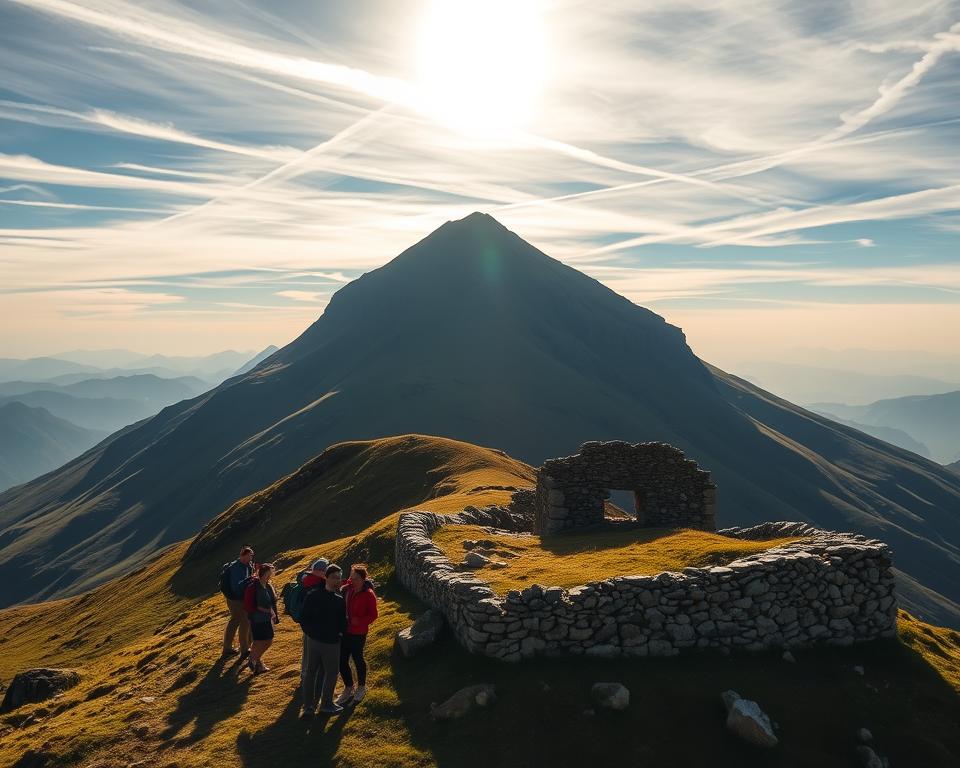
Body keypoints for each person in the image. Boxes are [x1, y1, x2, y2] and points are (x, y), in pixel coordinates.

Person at [299, 564, 347, 718]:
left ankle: (315, 706)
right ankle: (317, 706)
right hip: (321, 642)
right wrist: (311, 634)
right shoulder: (314, 596)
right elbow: (304, 618)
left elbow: (342, 622)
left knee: (320, 672)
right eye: (333, 577)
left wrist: (339, 634)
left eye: (338, 578)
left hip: (328, 641)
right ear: (326, 577)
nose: (336, 581)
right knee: (320, 672)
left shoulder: (338, 600)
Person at [336, 564, 378, 705]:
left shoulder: (368, 594)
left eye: (355, 579)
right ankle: (349, 687)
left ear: (363, 579)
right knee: (341, 660)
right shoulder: (346, 589)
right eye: (351, 578)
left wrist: (358, 621)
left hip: (358, 632)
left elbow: (373, 615)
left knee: (357, 658)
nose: (352, 581)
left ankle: (361, 687)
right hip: (344, 631)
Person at [296, 558, 328, 685]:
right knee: (312, 650)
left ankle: (305, 673)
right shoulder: (315, 583)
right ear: (319, 571)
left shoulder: (306, 579)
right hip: (314, 623)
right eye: (325, 570)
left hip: (308, 623)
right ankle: (309, 675)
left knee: (308, 649)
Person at [244, 562, 279, 674]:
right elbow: (259, 605)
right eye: (269, 573)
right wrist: (270, 611)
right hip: (260, 618)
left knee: (258, 642)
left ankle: (257, 665)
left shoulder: (265, 584)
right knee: (267, 641)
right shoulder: (259, 586)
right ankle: (253, 660)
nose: (271, 575)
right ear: (263, 573)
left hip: (260, 618)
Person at [221, 545, 255, 659]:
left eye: (252, 556)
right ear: (243, 555)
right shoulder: (236, 567)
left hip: (242, 597)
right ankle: (243, 649)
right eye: (250, 556)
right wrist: (250, 579)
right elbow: (237, 587)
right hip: (235, 598)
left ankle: (232, 648)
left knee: (240, 621)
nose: (251, 558)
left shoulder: (247, 565)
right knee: (240, 620)